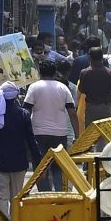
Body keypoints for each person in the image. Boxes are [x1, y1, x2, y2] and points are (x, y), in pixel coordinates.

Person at [0, 82, 42, 214]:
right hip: (19, 164)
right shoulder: (23, 114)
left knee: (1, 198)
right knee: (16, 198)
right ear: (16, 96)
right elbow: (31, 140)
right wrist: (38, 161)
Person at [24, 60, 77, 191]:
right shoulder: (63, 88)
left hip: (38, 133)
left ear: (40, 72)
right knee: (59, 165)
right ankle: (60, 193)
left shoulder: (34, 87)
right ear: (55, 73)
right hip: (60, 134)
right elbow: (72, 113)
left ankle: (44, 194)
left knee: (41, 166)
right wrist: (78, 134)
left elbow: (26, 111)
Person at [77, 48, 111, 126]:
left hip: (91, 108)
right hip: (106, 108)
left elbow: (81, 89)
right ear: (102, 57)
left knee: (91, 135)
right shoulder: (110, 73)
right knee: (104, 134)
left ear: (90, 58)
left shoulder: (84, 73)